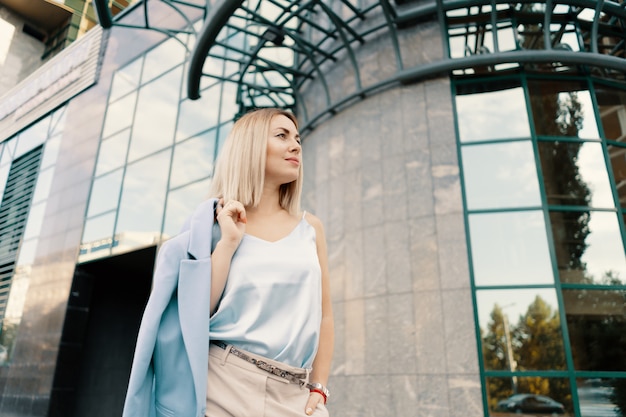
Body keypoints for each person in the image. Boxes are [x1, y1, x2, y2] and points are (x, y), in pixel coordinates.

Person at [122, 108, 334, 417]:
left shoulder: (311, 228)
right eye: (282, 136)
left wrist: (320, 385)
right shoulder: (215, 225)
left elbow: (325, 316)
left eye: (297, 138)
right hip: (224, 384)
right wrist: (228, 243)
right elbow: (192, 315)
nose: (296, 145)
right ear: (249, 146)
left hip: (295, 393)